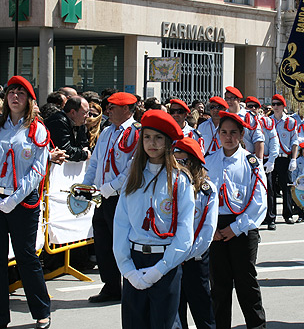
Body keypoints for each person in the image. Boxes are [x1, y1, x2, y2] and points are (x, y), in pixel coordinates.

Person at [0, 76, 51, 329]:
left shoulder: (36, 129)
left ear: (29, 99)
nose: (15, 97)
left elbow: (38, 169)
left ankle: (41, 311)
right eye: (11, 92)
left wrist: (15, 198)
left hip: (22, 201)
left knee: (26, 256)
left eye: (21, 93)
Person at [113, 110, 194, 329]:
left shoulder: (180, 180)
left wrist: (161, 269)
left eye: (158, 138)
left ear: (168, 143)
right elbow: (121, 224)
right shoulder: (133, 177)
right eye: (147, 137)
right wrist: (127, 269)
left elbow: (185, 232)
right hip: (134, 262)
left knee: (164, 324)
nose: (152, 143)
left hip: (165, 263)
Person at [205, 111, 267, 329]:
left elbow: (259, 202)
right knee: (219, 287)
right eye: (223, 132)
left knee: (246, 283)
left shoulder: (252, 163)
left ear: (241, 135)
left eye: (233, 133)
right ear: (218, 134)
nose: (228, 137)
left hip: (243, 228)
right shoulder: (208, 161)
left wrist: (234, 228)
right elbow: (200, 199)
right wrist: (210, 229)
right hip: (215, 228)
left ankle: (257, 326)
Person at [82, 92, 140, 303]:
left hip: (122, 198)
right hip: (102, 196)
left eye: (113, 107)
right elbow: (96, 162)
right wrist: (87, 186)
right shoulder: (107, 132)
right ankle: (111, 286)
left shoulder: (137, 133)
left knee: (122, 243)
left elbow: (132, 168)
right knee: (103, 242)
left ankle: (131, 285)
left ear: (126, 109)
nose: (108, 111)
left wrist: (109, 188)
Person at [173, 137, 217, 329]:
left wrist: (187, 254)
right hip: (172, 258)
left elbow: (207, 231)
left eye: (181, 162)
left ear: (192, 162)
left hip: (195, 258)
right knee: (175, 311)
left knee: (202, 309)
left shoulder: (207, 191)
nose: (176, 166)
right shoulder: (169, 187)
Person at [245, 96, 279, 230]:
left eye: (255, 106)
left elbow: (274, 141)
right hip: (248, 159)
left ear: (259, 109)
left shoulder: (267, 121)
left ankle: (271, 218)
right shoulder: (244, 120)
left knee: (268, 189)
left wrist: (271, 160)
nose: (252, 109)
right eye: (249, 106)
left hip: (263, 159)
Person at [269, 94, 299, 224]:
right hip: (271, 158)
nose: (275, 107)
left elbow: (295, 141)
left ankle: (288, 214)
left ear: (283, 106)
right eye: (273, 104)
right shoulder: (268, 121)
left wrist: (293, 159)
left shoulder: (290, 121)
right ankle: (270, 217)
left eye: (278, 104)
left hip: (284, 158)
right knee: (270, 188)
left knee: (286, 187)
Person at [45, 96, 91, 162]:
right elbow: (65, 150)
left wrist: (85, 151)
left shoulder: (80, 122)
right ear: (73, 112)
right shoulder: (58, 121)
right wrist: (84, 155)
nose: (88, 116)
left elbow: (84, 145)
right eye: (85, 113)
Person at [224, 86, 264, 158]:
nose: (229, 101)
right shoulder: (223, 116)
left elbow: (258, 139)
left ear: (239, 100)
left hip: (246, 157)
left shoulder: (249, 117)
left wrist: (259, 161)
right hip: (226, 157)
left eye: (232, 98)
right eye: (227, 98)